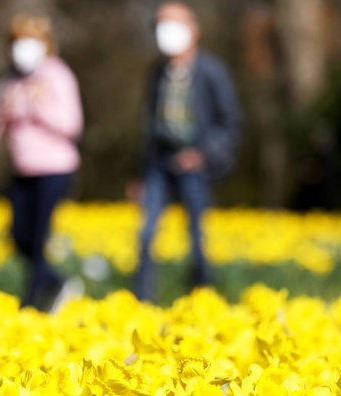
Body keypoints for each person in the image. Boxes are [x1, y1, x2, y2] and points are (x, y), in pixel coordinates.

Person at [132, 1, 241, 302]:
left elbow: (230, 122)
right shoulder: (157, 72)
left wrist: (203, 154)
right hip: (159, 161)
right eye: (159, 25)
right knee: (145, 234)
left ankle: (203, 297)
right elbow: (149, 124)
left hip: (196, 163)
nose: (165, 32)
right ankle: (142, 300)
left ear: (194, 29)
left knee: (197, 236)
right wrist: (139, 171)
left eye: (173, 24)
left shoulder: (212, 72)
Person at [0, 13, 84, 311]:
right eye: (16, 42)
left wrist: (36, 105)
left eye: (29, 41)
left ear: (45, 44)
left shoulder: (57, 76)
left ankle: (31, 304)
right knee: (18, 236)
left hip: (54, 167)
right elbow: (0, 114)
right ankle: (58, 283)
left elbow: (71, 124)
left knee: (38, 237)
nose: (21, 49)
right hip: (23, 168)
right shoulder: (12, 79)